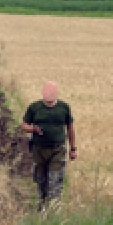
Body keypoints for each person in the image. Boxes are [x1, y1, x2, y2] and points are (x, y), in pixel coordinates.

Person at [22, 81, 76, 210]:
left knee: (55, 181)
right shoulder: (34, 108)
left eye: (51, 101)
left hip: (57, 150)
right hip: (38, 150)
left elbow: (70, 129)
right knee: (41, 182)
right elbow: (24, 126)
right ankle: (41, 209)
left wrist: (73, 149)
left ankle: (54, 211)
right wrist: (33, 129)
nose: (50, 103)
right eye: (47, 101)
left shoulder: (64, 108)